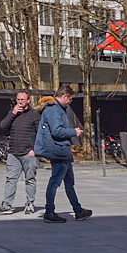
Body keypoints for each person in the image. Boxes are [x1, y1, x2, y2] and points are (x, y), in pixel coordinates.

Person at [33, 85, 91, 223]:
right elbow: (57, 131)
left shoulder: (58, 109)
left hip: (61, 150)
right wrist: (73, 132)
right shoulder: (54, 110)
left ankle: (78, 210)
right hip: (58, 151)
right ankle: (49, 211)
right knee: (55, 181)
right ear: (64, 96)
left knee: (69, 181)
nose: (70, 102)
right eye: (70, 99)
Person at [0, 91, 41, 215]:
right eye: (18, 100)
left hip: (28, 153)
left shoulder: (34, 115)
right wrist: (13, 113)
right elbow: (3, 126)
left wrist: (34, 150)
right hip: (13, 152)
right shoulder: (13, 113)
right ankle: (6, 205)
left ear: (28, 101)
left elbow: (40, 134)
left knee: (30, 179)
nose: (20, 102)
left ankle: (30, 204)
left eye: (22, 100)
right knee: (10, 179)